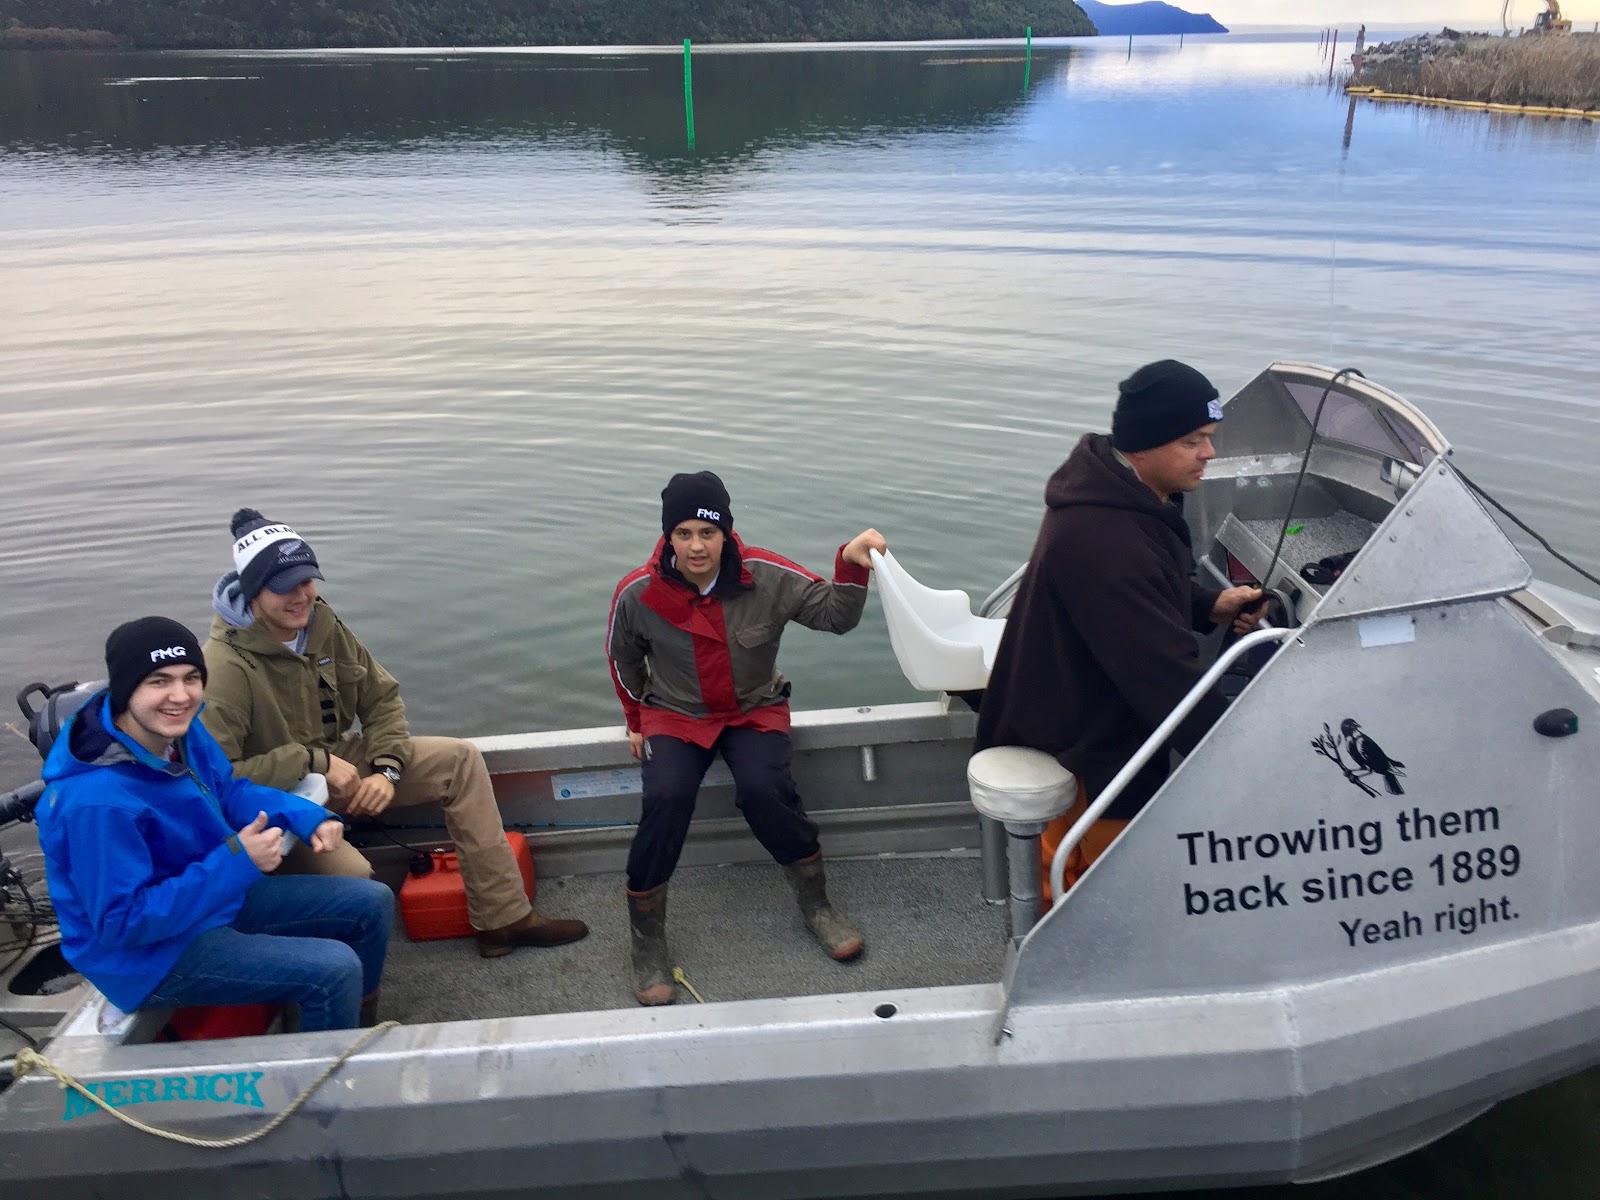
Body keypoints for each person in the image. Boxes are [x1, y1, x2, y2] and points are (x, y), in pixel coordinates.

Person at [200, 508, 587, 958]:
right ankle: (334, 974)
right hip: (277, 801)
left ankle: (504, 919)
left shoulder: (321, 623)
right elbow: (216, 780)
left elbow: (381, 698)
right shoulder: (223, 667)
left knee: (459, 761)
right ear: (253, 589)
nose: (302, 595)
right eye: (285, 586)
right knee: (356, 879)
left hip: (340, 763)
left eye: (307, 580)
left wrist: (387, 770)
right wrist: (314, 762)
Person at [975, 360, 1263, 886]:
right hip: (1089, 746)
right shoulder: (1108, 538)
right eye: (1193, 441)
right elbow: (1166, 680)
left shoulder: (1120, 496)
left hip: (1070, 713)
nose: (1209, 453)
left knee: (1071, 872)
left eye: (1209, 437)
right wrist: (1253, 756)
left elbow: (1147, 594)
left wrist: (1209, 606)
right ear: (1145, 445)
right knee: (1108, 890)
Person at [606, 471, 885, 1005]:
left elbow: (836, 617)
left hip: (753, 708)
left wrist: (850, 563)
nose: (696, 546)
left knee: (765, 789)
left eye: (707, 533)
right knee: (666, 797)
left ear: (725, 532)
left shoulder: (766, 574)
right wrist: (636, 717)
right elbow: (622, 659)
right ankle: (646, 939)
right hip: (674, 713)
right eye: (683, 533)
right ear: (668, 536)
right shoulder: (638, 593)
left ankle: (816, 905)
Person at [37, 617, 393, 1033]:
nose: (180, 696)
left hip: (207, 901)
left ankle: (357, 1025)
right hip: (147, 958)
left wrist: (306, 815)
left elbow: (229, 791)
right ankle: (328, 1067)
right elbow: (122, 924)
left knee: (372, 903)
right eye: (158, 681)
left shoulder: (181, 735)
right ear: (125, 690)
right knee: (334, 969)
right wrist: (238, 861)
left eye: (191, 678)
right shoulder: (97, 803)